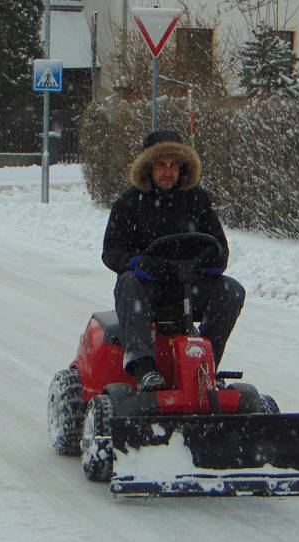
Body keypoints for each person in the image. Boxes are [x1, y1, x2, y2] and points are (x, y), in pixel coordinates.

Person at [102, 130, 246, 392]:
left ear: (182, 168)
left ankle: (204, 363)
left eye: (173, 165)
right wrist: (138, 262)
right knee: (128, 282)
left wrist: (201, 264)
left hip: (190, 283)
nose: (167, 172)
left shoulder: (198, 201)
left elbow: (219, 250)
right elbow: (111, 252)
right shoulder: (128, 204)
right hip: (149, 286)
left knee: (231, 290)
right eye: (160, 165)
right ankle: (143, 366)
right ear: (148, 166)